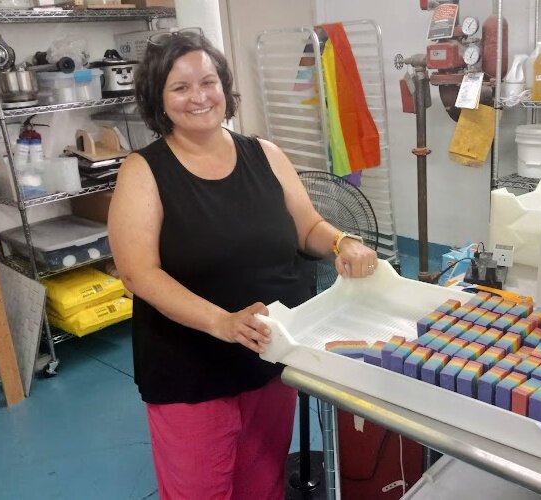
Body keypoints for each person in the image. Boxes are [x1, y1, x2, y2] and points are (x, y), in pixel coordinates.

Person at [108, 28, 378, 500]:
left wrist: (342, 242)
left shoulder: (265, 154)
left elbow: (308, 227)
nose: (199, 97)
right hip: (191, 370)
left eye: (208, 82)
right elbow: (139, 273)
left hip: (269, 353)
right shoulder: (144, 171)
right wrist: (223, 323)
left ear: (224, 86)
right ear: (159, 100)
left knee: (263, 484)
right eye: (181, 87)